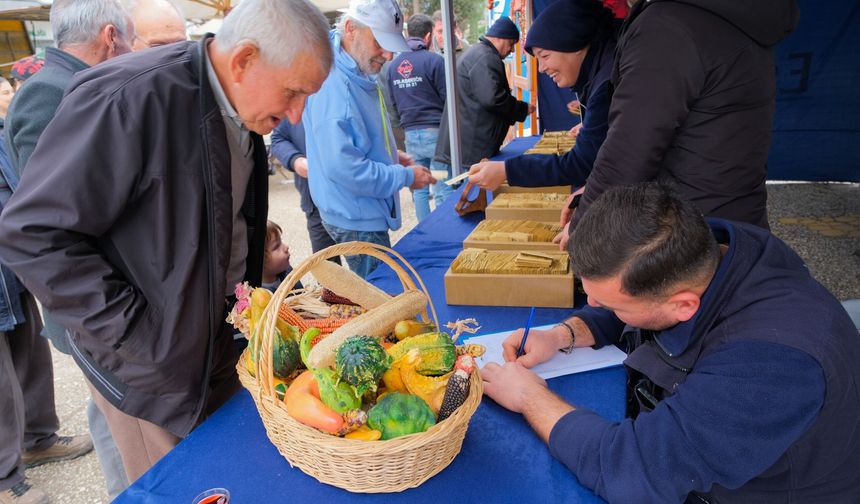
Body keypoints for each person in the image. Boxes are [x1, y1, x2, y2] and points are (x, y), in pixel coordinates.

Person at [0, 0, 332, 484]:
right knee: (177, 489)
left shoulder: (240, 103)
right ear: (243, 60)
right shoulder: (129, 98)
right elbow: (32, 233)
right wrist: (138, 336)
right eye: (293, 92)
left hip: (212, 345)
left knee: (228, 477)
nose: (297, 113)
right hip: (146, 374)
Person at [482, 182, 860, 503]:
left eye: (610, 304)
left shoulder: (771, 365)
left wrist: (529, 397)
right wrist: (563, 334)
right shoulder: (701, 254)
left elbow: (635, 470)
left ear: (683, 306)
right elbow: (643, 304)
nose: (592, 305)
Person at [569, 0, 801, 233]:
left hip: (690, 232)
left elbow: (630, 148)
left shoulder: (666, 25)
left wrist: (586, 221)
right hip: (733, 221)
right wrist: (593, 194)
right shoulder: (716, 13)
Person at [304, 0, 435, 279]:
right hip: (356, 216)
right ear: (351, 29)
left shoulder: (351, 67)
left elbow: (357, 138)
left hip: (356, 209)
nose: (388, 55)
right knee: (380, 293)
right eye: (379, 42)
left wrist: (391, 156)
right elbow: (345, 168)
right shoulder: (335, 86)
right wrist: (405, 176)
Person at [468, 0, 618, 204]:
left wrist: (506, 171)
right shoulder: (604, 68)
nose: (541, 68)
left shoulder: (605, 84)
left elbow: (579, 164)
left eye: (545, 56)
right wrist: (591, 124)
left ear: (573, 44)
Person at [433, 16, 534, 175]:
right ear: (500, 38)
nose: (512, 50)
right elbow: (492, 99)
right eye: (511, 44)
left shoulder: (479, 53)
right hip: (470, 150)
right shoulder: (485, 57)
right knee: (466, 189)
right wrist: (521, 109)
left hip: (465, 147)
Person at [388, 13, 451, 221]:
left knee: (420, 188)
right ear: (428, 36)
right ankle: (446, 228)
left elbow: (393, 103)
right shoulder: (435, 61)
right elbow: (448, 99)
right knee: (442, 184)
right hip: (436, 134)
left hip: (411, 134)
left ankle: (425, 231)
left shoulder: (394, 66)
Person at [270, 120, 340, 262]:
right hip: (314, 200)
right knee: (325, 266)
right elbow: (278, 139)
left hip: (355, 200)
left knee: (370, 265)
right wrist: (295, 159)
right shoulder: (292, 112)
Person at [261, 221, 295, 293]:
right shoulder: (263, 297)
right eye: (276, 246)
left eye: (281, 241)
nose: (286, 247)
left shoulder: (287, 271)